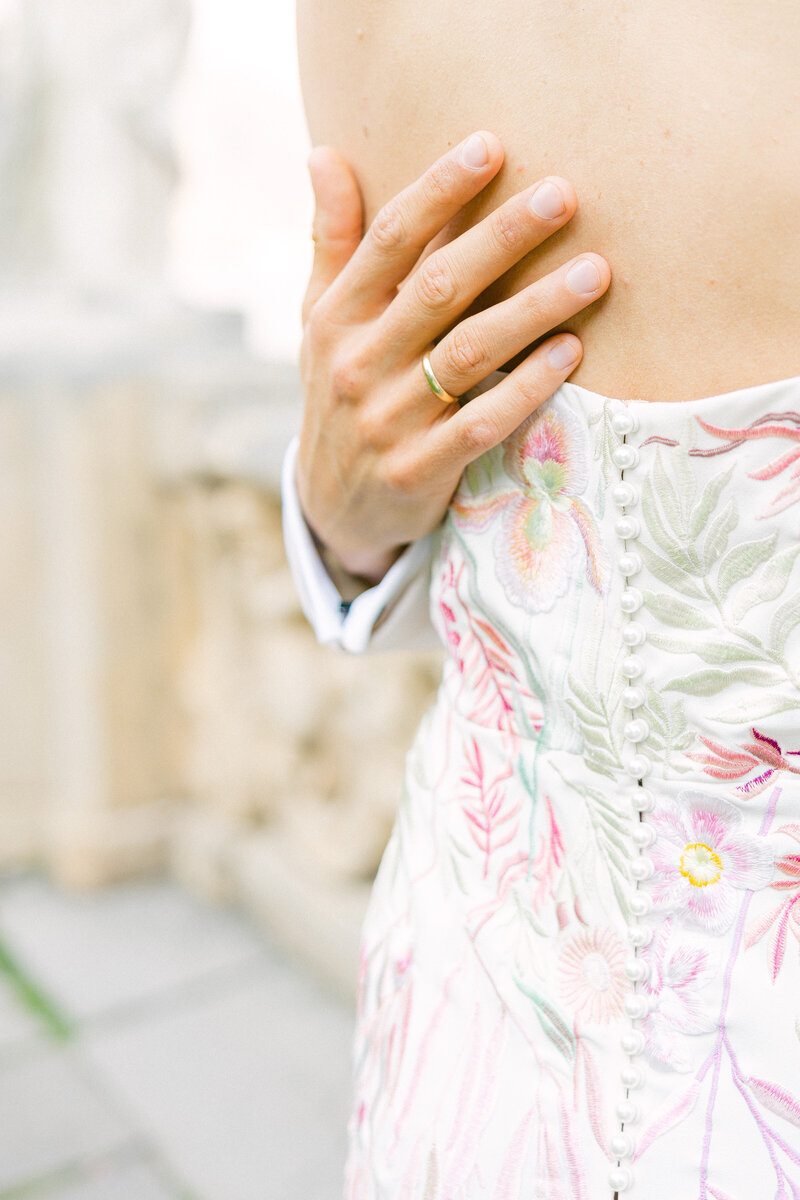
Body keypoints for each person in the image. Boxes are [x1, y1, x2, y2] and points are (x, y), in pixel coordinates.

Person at [282, 3, 800, 1196]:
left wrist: (343, 523)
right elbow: (420, 443)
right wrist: (344, 514)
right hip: (476, 1055)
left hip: (462, 1059)